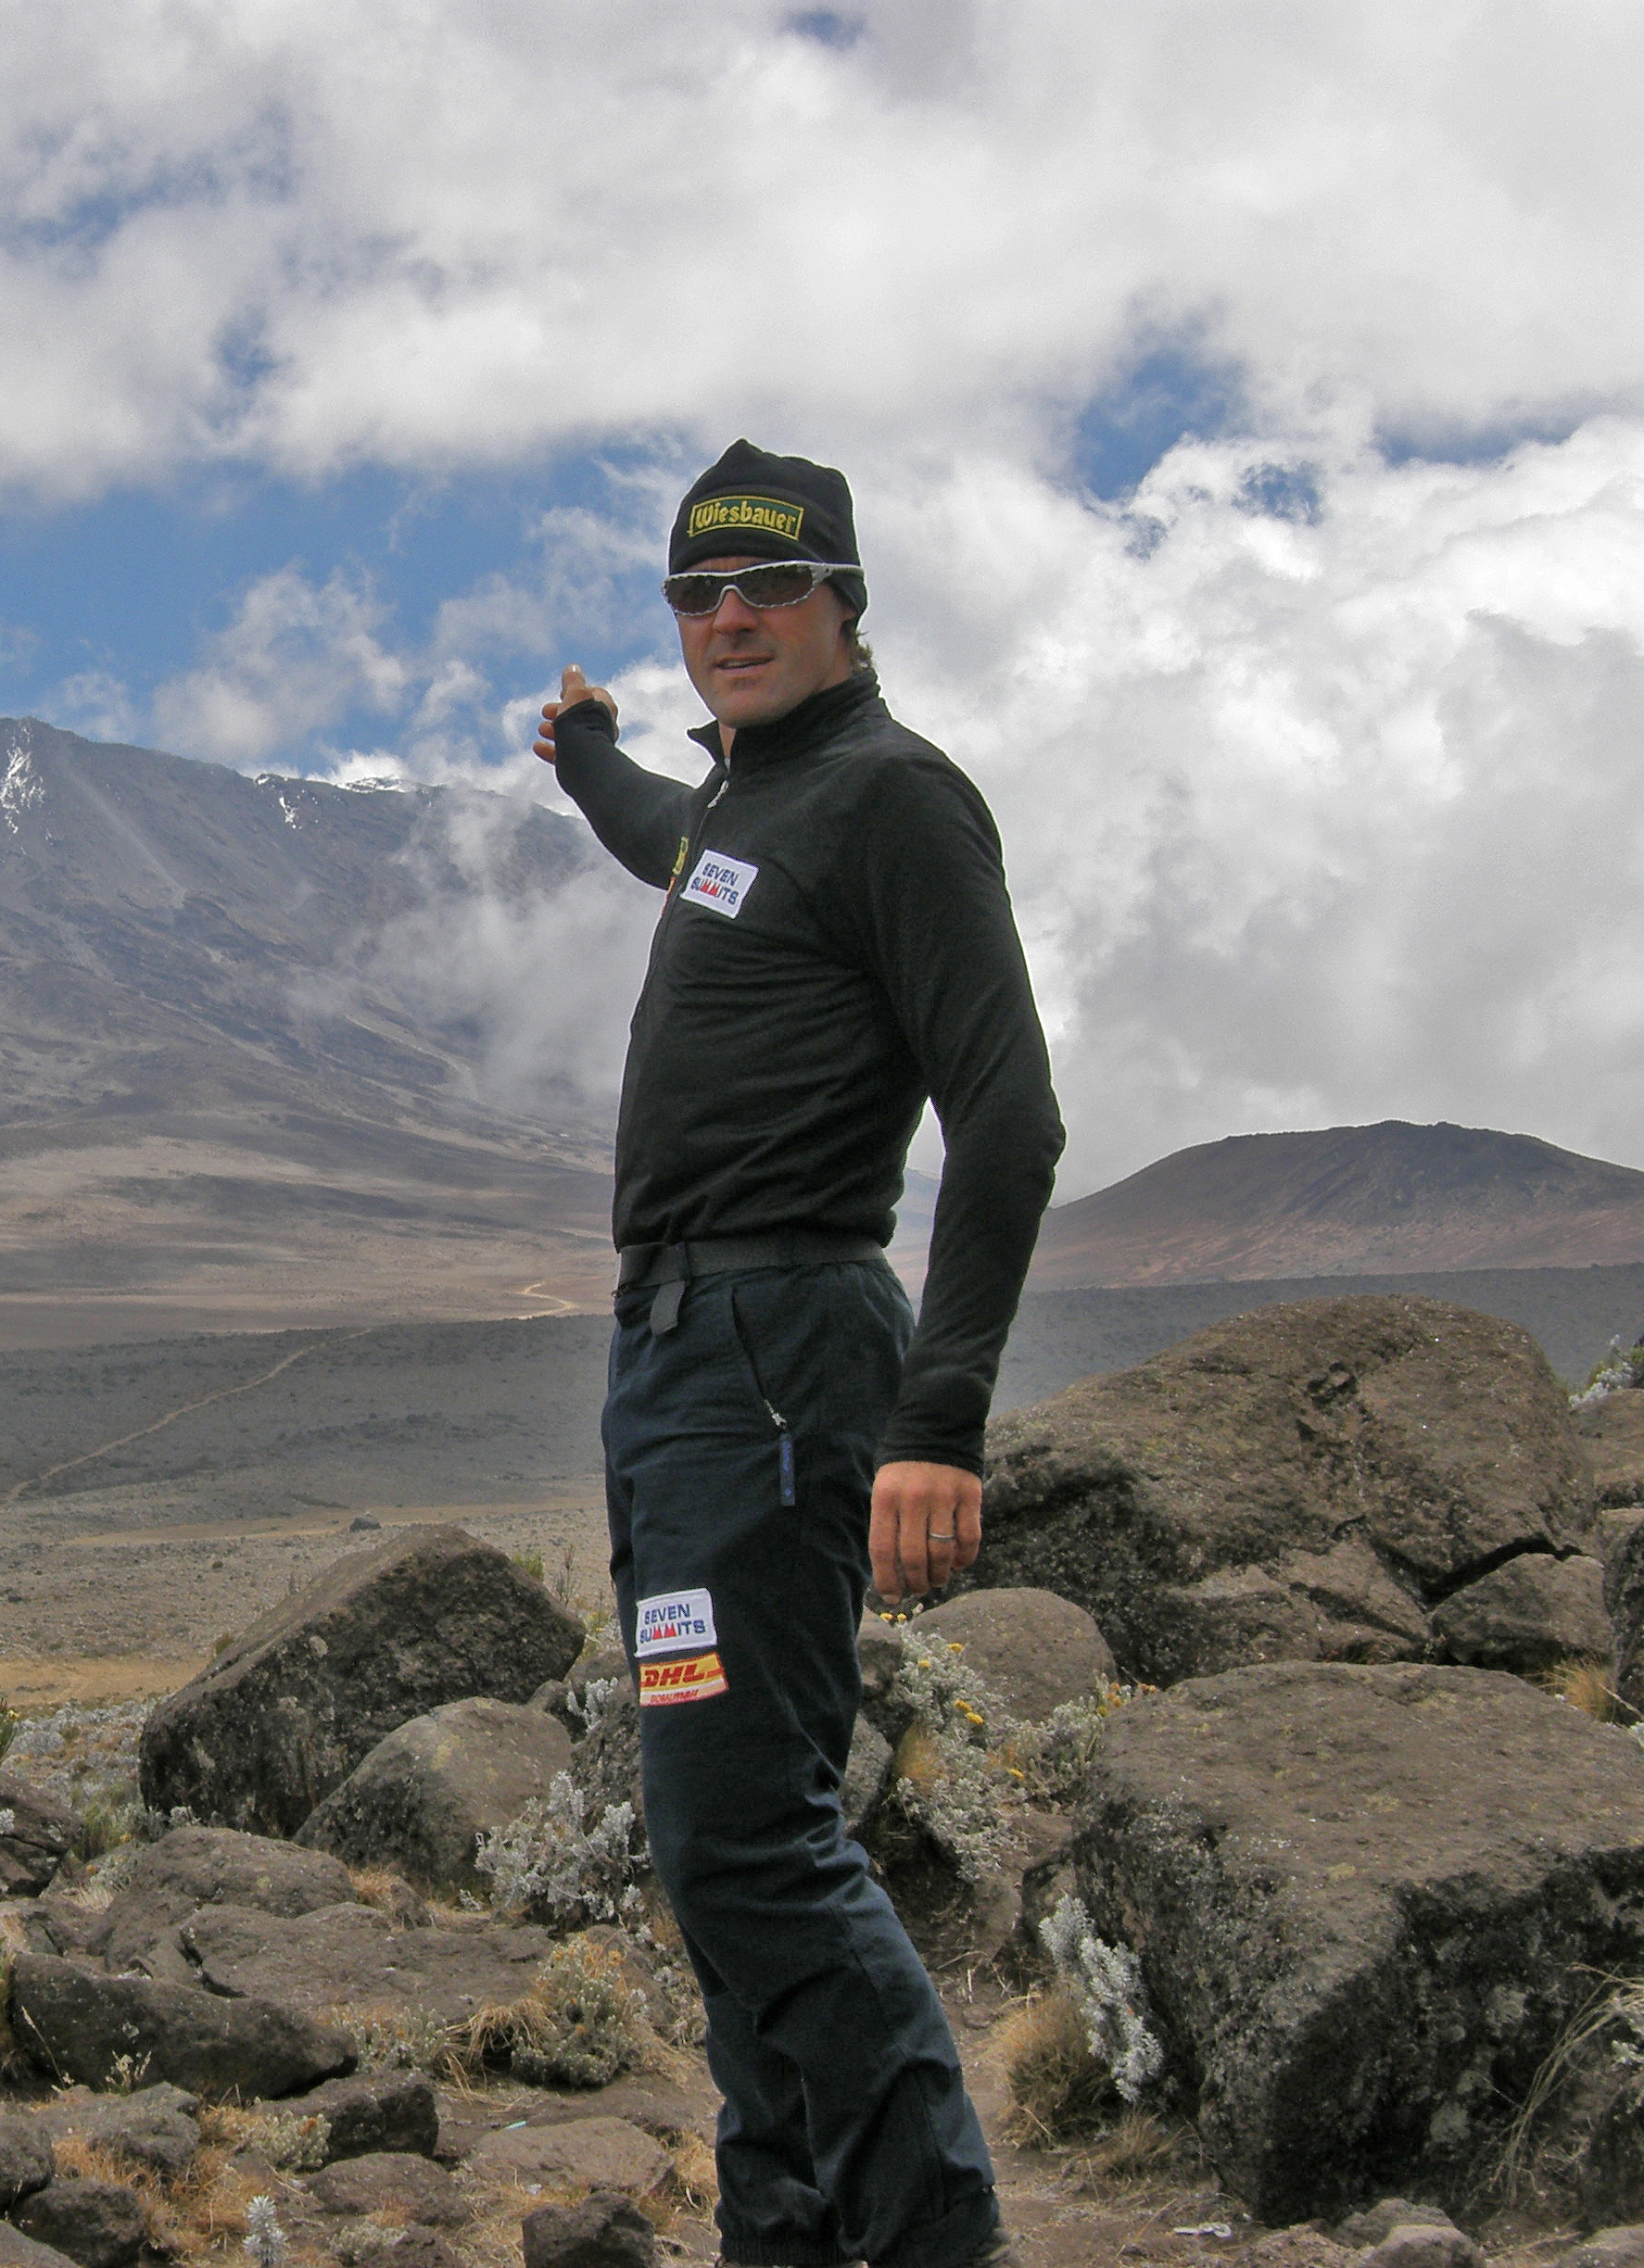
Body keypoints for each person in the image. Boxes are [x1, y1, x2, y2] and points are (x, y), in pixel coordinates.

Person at [532, 440, 1063, 2268]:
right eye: (697, 592)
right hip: (680, 1364)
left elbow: (1009, 1119)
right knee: (721, 1841)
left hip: (776, 1358)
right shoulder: (741, 809)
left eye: (769, 585)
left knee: (747, 1844)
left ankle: (933, 2243)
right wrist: (584, 750)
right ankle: (789, 2239)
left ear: (847, 602)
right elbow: (660, 839)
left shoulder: (894, 801)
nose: (731, 617)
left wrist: (941, 1421)